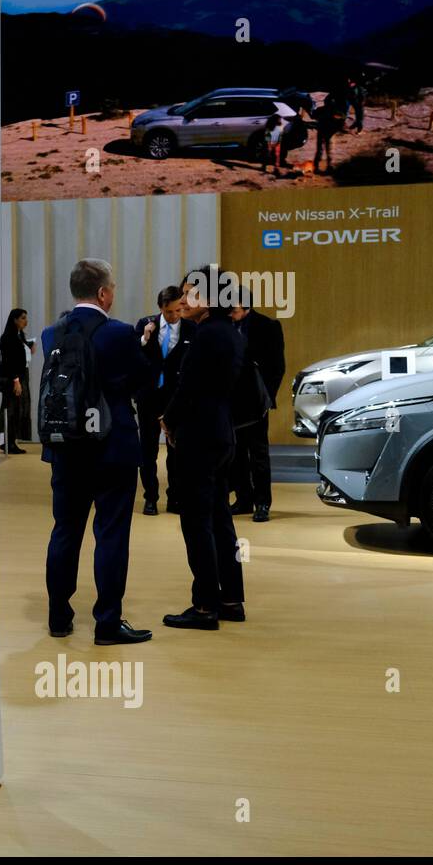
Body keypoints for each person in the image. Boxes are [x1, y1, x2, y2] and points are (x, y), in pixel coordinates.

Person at [41, 258, 155, 645]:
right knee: (111, 533)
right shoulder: (120, 333)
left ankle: (59, 616)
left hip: (66, 449)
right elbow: (144, 379)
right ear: (104, 293)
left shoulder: (49, 335)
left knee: (65, 530)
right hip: (113, 448)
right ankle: (106, 623)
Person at [159, 267, 246, 630]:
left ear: (209, 298)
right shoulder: (231, 333)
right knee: (220, 520)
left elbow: (189, 389)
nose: (183, 299)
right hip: (222, 433)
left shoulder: (207, 335)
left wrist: (168, 420)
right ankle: (231, 598)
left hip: (198, 436)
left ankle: (205, 605)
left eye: (190, 293)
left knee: (196, 523)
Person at [134, 285, 194, 515]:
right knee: (147, 449)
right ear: (161, 308)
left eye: (178, 310)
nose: (175, 316)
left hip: (175, 398)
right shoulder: (145, 324)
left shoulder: (190, 329)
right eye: (170, 312)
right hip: (149, 396)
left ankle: (175, 497)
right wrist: (144, 338)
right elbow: (133, 354)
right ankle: (150, 497)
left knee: (176, 450)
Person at [228, 296, 286, 522]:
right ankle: (243, 498)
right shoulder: (227, 325)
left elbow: (277, 366)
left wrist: (267, 396)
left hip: (256, 400)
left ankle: (262, 502)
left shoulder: (267, 326)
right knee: (237, 453)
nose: (231, 313)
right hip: (233, 400)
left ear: (246, 307)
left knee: (258, 454)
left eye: (234, 309)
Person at [0, 308, 29, 454]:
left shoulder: (18, 336)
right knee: (12, 410)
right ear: (14, 319)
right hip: (12, 378)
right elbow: (9, 361)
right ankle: (9, 442)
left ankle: (7, 441)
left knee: (14, 409)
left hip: (19, 376)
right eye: (22, 318)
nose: (25, 321)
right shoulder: (9, 338)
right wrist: (16, 380)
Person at [313, 94, 343, 174]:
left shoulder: (320, 110)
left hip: (322, 132)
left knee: (320, 150)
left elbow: (314, 115)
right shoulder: (336, 111)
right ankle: (329, 166)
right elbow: (342, 120)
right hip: (330, 133)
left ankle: (316, 167)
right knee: (330, 150)